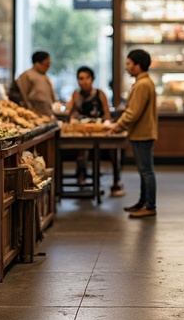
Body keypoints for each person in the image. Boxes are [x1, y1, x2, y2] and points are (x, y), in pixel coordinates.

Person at [109, 49, 157, 218]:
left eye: (129, 63)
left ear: (138, 65)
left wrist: (117, 126)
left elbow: (132, 112)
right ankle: (143, 202)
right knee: (145, 170)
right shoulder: (143, 82)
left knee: (146, 171)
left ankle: (149, 206)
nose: (127, 67)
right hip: (142, 132)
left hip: (142, 133)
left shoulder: (142, 84)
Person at [67, 66, 124, 197]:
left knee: (113, 149)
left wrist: (107, 125)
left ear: (92, 79)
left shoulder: (99, 93)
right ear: (77, 80)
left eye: (87, 78)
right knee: (81, 149)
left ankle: (116, 181)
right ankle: (82, 178)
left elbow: (107, 114)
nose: (84, 81)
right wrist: (73, 105)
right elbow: (69, 114)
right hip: (83, 131)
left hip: (99, 129)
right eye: (81, 78)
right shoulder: (76, 95)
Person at [14, 51, 57, 116]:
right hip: (34, 112)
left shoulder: (45, 76)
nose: (48, 66)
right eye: (46, 64)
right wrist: (29, 109)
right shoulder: (27, 75)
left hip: (47, 112)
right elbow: (24, 94)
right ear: (37, 63)